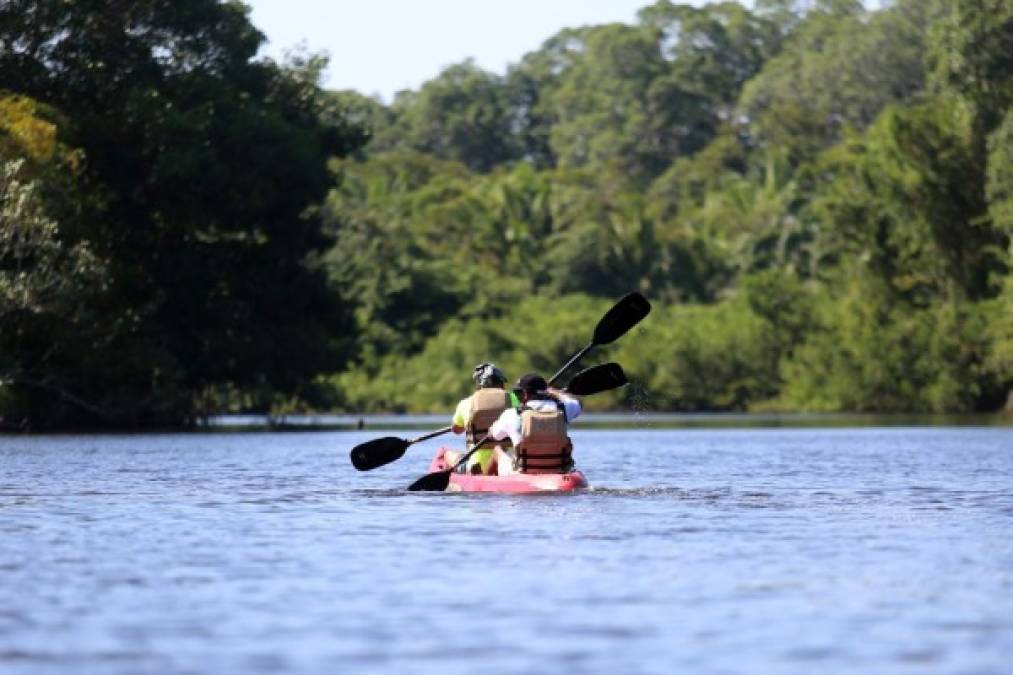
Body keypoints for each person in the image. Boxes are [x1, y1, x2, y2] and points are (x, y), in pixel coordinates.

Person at [488, 372, 582, 476]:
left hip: (524, 472)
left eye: (518, 393)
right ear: (545, 392)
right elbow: (578, 405)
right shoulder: (564, 409)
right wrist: (554, 392)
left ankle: (483, 481)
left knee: (497, 449)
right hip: (559, 469)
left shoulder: (512, 414)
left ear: (525, 394)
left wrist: (491, 431)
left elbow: (496, 436)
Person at [445, 363, 520, 474]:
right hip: (508, 464)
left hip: (477, 464)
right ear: (501, 383)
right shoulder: (515, 400)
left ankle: (465, 473)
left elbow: (456, 430)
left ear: (479, 384)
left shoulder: (466, 403)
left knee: (447, 454)